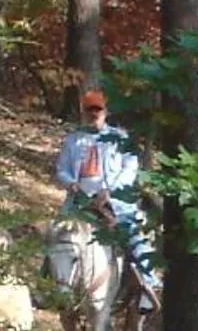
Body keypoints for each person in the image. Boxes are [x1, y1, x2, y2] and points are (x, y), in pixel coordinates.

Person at [55, 87, 159, 307]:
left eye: (98, 109)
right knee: (58, 235)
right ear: (83, 112)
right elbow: (62, 169)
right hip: (80, 202)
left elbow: (130, 168)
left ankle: (148, 286)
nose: (94, 114)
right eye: (89, 110)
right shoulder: (73, 140)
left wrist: (110, 190)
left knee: (133, 236)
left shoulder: (120, 138)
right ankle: (50, 286)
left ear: (105, 111)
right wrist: (70, 183)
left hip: (115, 202)